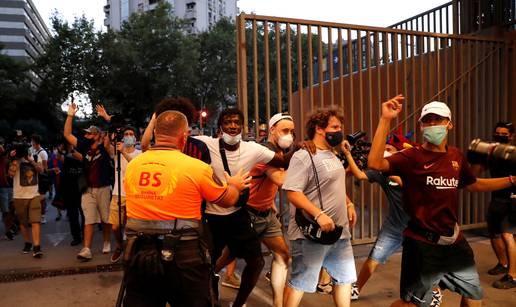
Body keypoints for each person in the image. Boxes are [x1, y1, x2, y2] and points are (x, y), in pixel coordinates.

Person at [367, 97, 516, 307]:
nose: (432, 124)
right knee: (411, 304)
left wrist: (511, 180)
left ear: (449, 124)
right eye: (427, 121)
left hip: (454, 242)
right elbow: (374, 163)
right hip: (422, 245)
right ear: (420, 126)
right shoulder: (411, 156)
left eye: (438, 120)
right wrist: (385, 119)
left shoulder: (455, 156)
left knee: (474, 297)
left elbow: (473, 184)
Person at [122, 110, 251, 307]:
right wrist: (234, 185)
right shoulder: (196, 168)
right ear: (184, 137)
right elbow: (227, 200)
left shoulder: (134, 165)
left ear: (156, 133)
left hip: (139, 254)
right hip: (184, 257)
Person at [194, 107, 294, 307]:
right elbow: (178, 140)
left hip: (238, 215)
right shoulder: (207, 143)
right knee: (207, 264)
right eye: (228, 122)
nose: (232, 126)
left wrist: (301, 147)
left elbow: (281, 160)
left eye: (236, 122)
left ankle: (238, 304)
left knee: (256, 262)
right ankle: (210, 296)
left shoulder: (253, 149)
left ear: (242, 126)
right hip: (211, 217)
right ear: (220, 126)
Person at [282, 109, 357, 307]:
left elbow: (333, 185)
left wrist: (349, 203)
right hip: (311, 235)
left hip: (339, 233)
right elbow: (292, 192)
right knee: (300, 283)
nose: (339, 131)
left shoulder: (332, 154)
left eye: (340, 127)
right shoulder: (304, 156)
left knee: (344, 280)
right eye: (334, 127)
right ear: (319, 129)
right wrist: (319, 215)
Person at [245, 112, 294, 307]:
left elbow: (269, 183)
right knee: (230, 259)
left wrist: (269, 200)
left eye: (292, 131)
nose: (289, 135)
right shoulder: (265, 152)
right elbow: (281, 180)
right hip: (247, 214)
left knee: (283, 255)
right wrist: (299, 158)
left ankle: (278, 304)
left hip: (266, 213)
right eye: (285, 130)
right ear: (272, 130)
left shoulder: (279, 152)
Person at [64, 103, 113, 261]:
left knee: (106, 218)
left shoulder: (106, 146)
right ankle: (86, 249)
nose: (86, 135)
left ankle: (106, 241)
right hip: (88, 189)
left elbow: (115, 131)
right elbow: (67, 135)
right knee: (89, 219)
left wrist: (106, 118)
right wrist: (70, 115)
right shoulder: (84, 146)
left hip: (104, 188)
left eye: (89, 134)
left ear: (97, 135)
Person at [471, 121, 516, 289]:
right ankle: (503, 264)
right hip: (496, 199)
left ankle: (513, 275)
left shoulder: (514, 154)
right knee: (495, 234)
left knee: (507, 235)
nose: (501, 136)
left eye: (505, 134)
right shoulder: (490, 153)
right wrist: (477, 158)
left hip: (513, 199)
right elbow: (473, 176)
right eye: (498, 133)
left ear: (511, 136)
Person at [96, 105, 143, 263]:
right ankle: (119, 246)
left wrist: (123, 151)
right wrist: (109, 121)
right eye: (126, 134)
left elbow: (135, 168)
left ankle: (131, 250)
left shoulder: (140, 154)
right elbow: (106, 145)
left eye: (131, 134)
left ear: (135, 138)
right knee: (115, 226)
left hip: (133, 195)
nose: (129, 136)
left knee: (131, 228)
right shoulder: (116, 150)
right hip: (118, 193)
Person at [9, 144, 45, 258]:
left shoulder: (34, 156)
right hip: (19, 196)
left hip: (34, 195)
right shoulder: (14, 160)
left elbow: (41, 170)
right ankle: (28, 242)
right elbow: (11, 174)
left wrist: (31, 161)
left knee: (35, 221)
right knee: (23, 222)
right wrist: (15, 160)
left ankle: (37, 247)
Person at [61, 141, 85, 246]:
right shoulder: (65, 156)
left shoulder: (82, 153)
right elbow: (61, 160)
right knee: (73, 215)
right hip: (70, 189)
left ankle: (84, 234)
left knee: (84, 214)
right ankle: (76, 236)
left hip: (82, 188)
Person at [29, 135, 49, 224]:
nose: (31, 143)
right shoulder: (32, 150)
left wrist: (36, 166)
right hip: (33, 178)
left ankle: (43, 216)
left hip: (41, 178)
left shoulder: (43, 153)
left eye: (31, 141)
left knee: (42, 199)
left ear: (35, 142)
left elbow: (45, 168)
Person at [0, 139, 16, 240]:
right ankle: (8, 230)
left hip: (4, 186)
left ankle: (9, 229)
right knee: (6, 210)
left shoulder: (3, 158)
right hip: (4, 186)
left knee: (7, 210)